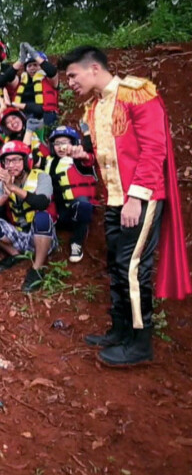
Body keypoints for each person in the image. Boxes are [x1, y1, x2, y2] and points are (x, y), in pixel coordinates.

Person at [62, 45, 190, 366]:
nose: (70, 83)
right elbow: (108, 156)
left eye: (73, 76)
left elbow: (154, 150)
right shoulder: (94, 108)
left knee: (132, 268)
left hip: (140, 199)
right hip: (115, 200)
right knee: (117, 265)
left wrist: (136, 198)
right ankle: (120, 330)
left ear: (94, 68)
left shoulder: (137, 94)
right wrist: (83, 156)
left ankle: (140, 343)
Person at [0, 140, 57, 292]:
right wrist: (5, 195)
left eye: (16, 160)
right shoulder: (2, 183)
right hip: (19, 235)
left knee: (42, 218)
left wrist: (14, 188)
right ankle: (15, 255)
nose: (11, 165)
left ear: (26, 161)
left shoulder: (42, 177)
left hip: (41, 236)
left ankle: (37, 268)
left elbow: (42, 203)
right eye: (7, 161)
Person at [44, 126, 97, 263]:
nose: (60, 147)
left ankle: (77, 242)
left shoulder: (80, 160)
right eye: (57, 143)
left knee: (83, 204)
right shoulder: (49, 162)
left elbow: (89, 158)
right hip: (59, 214)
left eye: (64, 142)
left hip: (78, 210)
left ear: (73, 143)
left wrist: (84, 154)